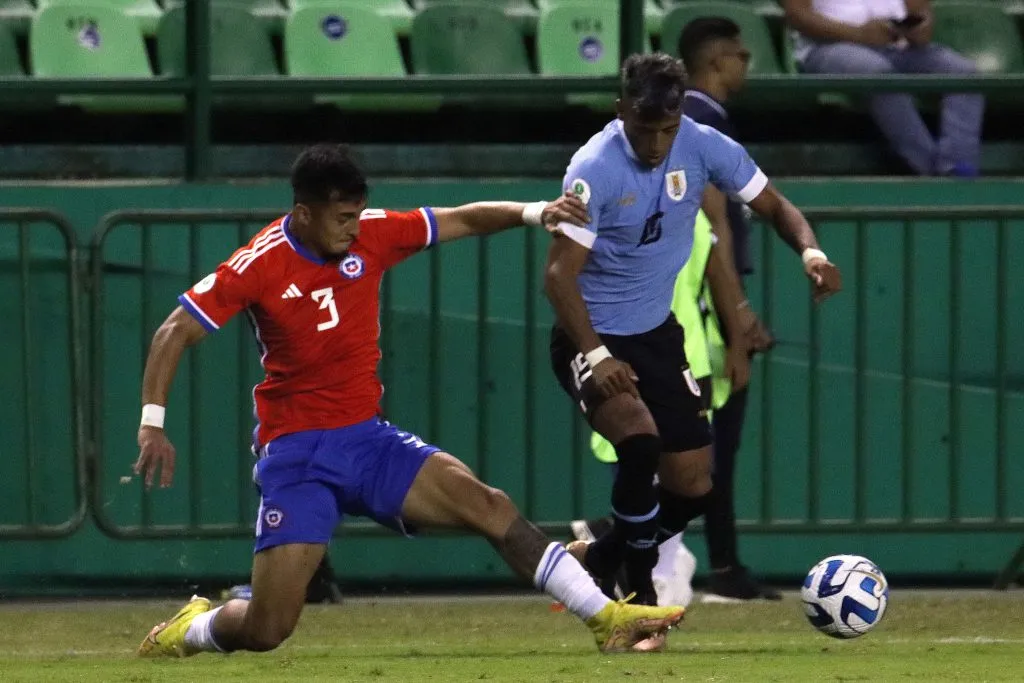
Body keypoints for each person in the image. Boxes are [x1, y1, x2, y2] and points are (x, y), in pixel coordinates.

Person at [133, 144, 686, 658]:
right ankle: (194, 629)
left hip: (368, 441)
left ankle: (605, 617)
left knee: (489, 505)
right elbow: (174, 330)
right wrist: (152, 424)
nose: (354, 228)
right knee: (269, 628)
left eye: (358, 214)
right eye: (341, 218)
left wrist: (536, 211)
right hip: (297, 455)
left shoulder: (373, 234)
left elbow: (465, 217)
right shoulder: (260, 262)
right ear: (303, 214)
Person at [544, 54, 841, 618]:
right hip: (591, 334)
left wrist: (812, 250)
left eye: (667, 131)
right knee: (637, 441)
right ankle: (639, 593)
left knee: (694, 486)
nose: (655, 145)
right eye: (643, 129)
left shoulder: (704, 145)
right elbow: (559, 277)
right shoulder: (593, 168)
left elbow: (774, 205)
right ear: (620, 110)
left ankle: (603, 555)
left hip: (657, 335)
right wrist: (597, 354)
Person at [679, 16, 782, 602]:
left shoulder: (702, 122)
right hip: (700, 313)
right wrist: (736, 313)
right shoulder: (701, 125)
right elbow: (712, 228)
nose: (747, 64)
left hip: (709, 306)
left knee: (712, 451)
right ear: (718, 60)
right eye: (741, 55)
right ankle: (610, 541)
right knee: (704, 452)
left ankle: (724, 564)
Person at [784, 0, 984, 177]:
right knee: (878, 74)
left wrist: (921, 27)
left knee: (963, 73)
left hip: (897, 44)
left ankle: (958, 167)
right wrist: (860, 34)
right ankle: (933, 171)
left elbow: (921, 12)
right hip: (829, 46)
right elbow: (798, 16)